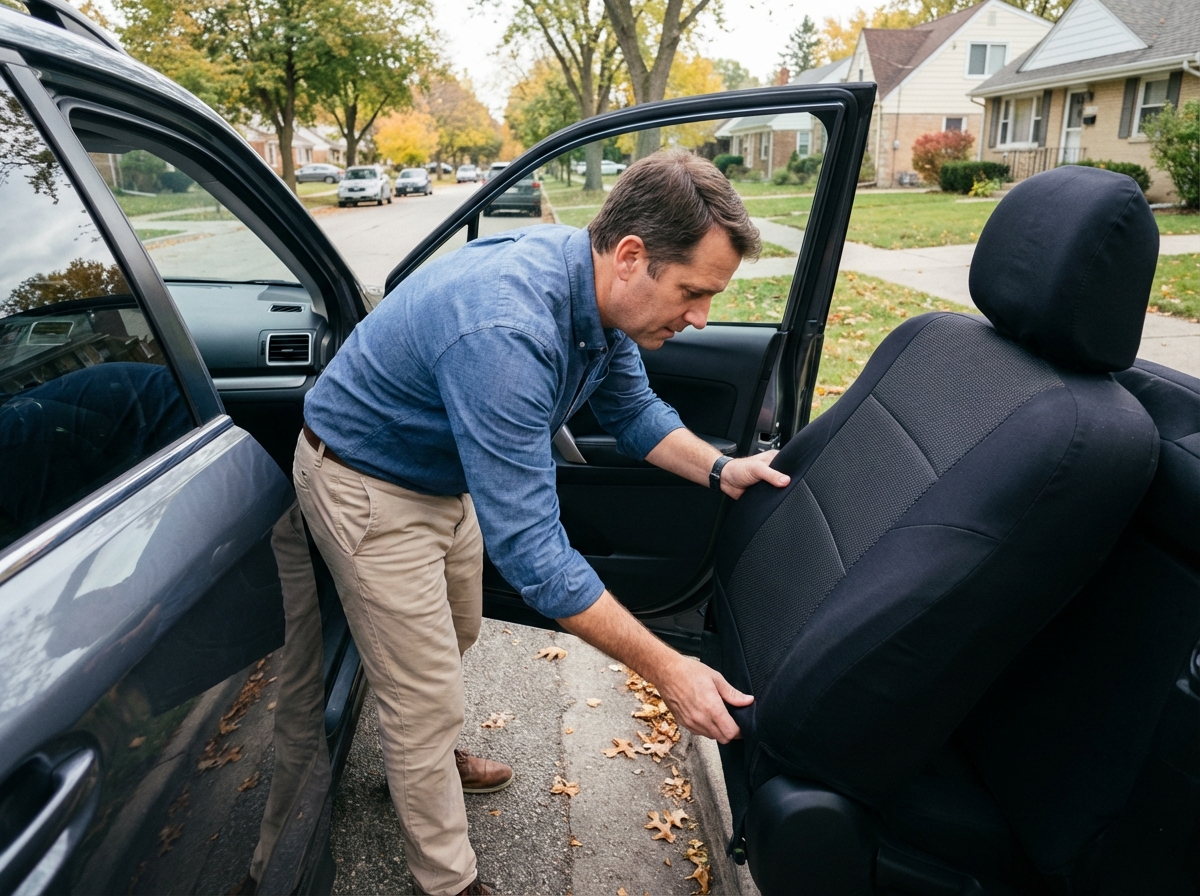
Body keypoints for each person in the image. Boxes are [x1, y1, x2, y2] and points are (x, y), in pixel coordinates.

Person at [295, 149, 791, 896]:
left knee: (457, 632)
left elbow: (632, 412)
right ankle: (448, 877)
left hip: (441, 479)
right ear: (632, 256)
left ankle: (422, 751)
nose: (700, 317)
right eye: (693, 292)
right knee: (422, 694)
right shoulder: (507, 330)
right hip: (366, 485)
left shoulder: (594, 294)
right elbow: (532, 554)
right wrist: (669, 671)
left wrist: (723, 470)